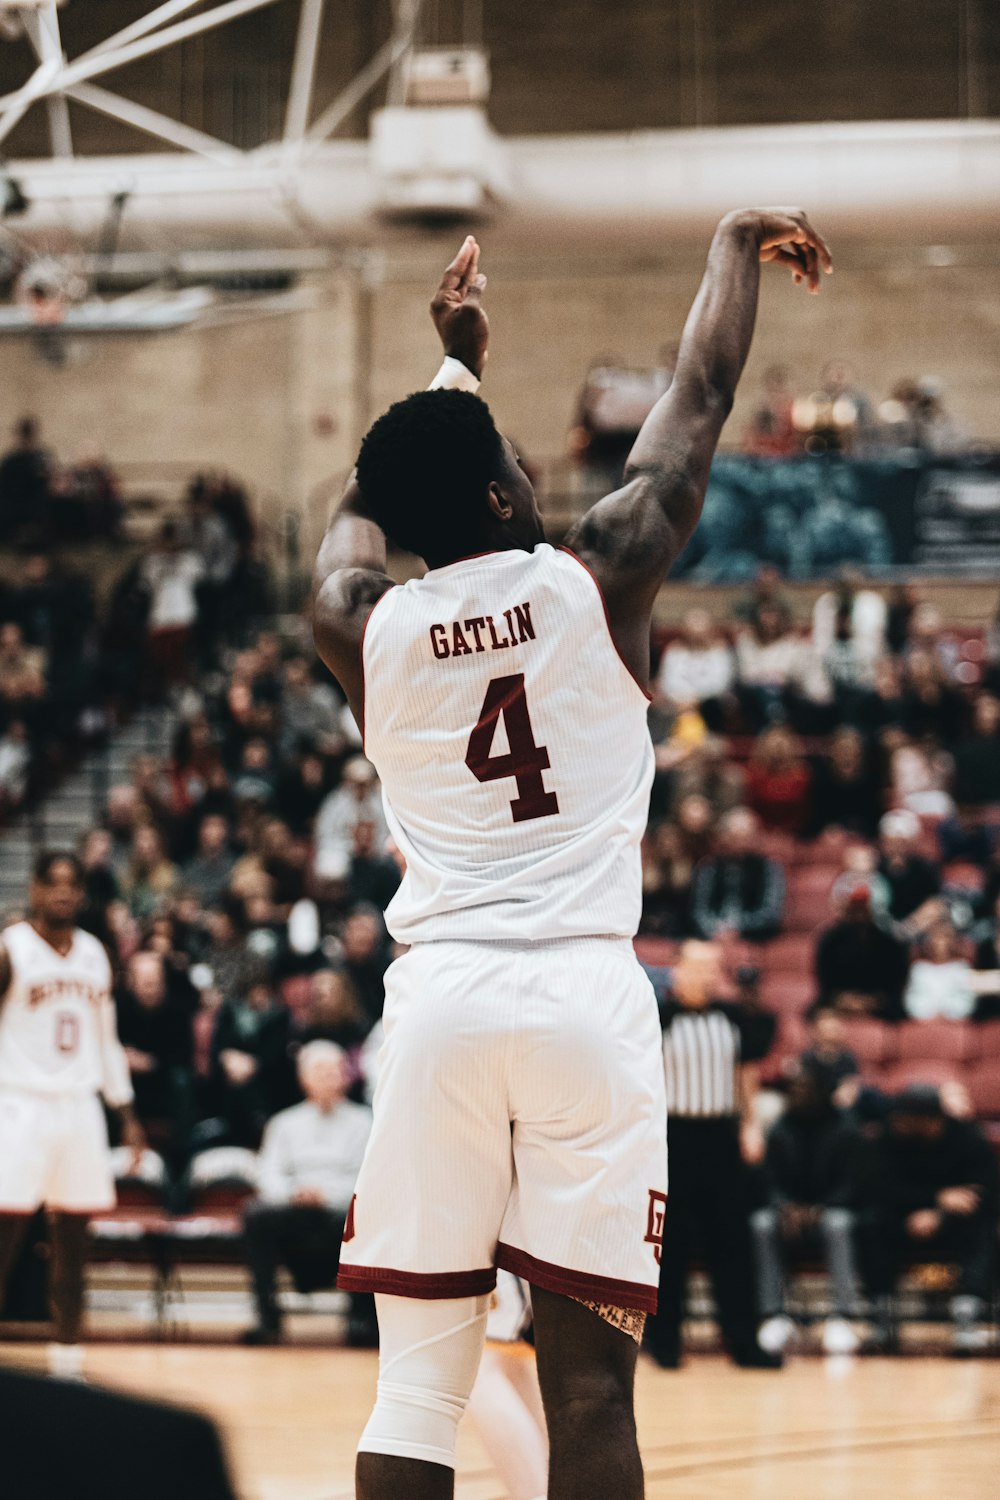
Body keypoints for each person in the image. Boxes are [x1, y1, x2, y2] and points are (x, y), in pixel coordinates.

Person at [312, 214, 831, 1497]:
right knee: (589, 1388)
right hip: (583, 1006)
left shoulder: (356, 627)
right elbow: (701, 395)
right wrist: (725, 245)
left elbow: (355, 524)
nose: (534, 474)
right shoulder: (598, 571)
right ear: (500, 495)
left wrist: (450, 379)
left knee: (415, 1389)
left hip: (438, 1004)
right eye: (515, 462)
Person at [0, 851, 144, 1379]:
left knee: (74, 1242)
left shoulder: (94, 954)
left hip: (80, 1106)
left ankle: (67, 1363)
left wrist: (124, 1110)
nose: (62, 892)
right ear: (35, 890)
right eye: (51, 883)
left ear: (82, 893)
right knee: (6, 1237)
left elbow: (106, 1041)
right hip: (18, 1103)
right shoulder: (11, 949)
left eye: (71, 884)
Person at [646, 940, 779, 1370]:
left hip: (721, 1135)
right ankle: (665, 1343)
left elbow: (746, 1073)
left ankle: (744, 1343)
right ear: (677, 969)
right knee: (672, 1245)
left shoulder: (732, 1018)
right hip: (673, 1137)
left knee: (732, 1243)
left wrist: (751, 1123)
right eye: (697, 967)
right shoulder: (657, 1017)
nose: (704, 975)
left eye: (711, 968)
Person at [241, 1040, 374, 1346]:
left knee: (364, 1216)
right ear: (303, 1078)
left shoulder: (364, 1123)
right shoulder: (284, 1123)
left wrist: (325, 1194)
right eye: (320, 1071)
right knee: (255, 1215)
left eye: (335, 1070)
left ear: (346, 1076)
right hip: (293, 1210)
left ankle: (361, 1320)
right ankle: (267, 1318)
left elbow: (368, 1178)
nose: (329, 1077)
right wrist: (293, 1194)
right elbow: (268, 1173)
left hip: (341, 1210)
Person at [859, 1085, 998, 1356]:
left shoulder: (968, 1138)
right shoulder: (889, 1139)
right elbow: (877, 1188)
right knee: (871, 1224)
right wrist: (934, 1198)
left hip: (954, 1222)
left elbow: (985, 1193)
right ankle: (881, 1312)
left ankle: (967, 1312)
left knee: (982, 1230)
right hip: (903, 1217)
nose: (897, 1123)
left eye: (904, 1119)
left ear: (928, 1120)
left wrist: (940, 1214)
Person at [752, 1067, 863, 1355]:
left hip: (831, 1210)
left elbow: (854, 1183)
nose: (797, 1095)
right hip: (789, 1212)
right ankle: (773, 1314)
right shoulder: (780, 1127)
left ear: (823, 1093)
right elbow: (770, 1179)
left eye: (805, 1089)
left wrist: (820, 1208)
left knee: (838, 1224)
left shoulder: (847, 1128)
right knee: (761, 1224)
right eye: (794, 1089)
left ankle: (843, 1315)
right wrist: (785, 1206)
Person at [690, 806, 784, 943]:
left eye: (746, 836)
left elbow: (770, 912)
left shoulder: (769, 868)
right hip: (711, 935)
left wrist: (739, 929)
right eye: (735, 836)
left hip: (754, 937)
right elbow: (699, 910)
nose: (740, 842)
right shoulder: (709, 867)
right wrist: (713, 930)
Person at [815, 887, 909, 1019]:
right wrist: (843, 999)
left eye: (864, 908)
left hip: (880, 1004)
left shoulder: (891, 944)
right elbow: (824, 980)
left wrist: (872, 1001)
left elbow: (897, 982)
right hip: (839, 999)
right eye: (856, 908)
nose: (860, 914)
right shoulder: (830, 941)